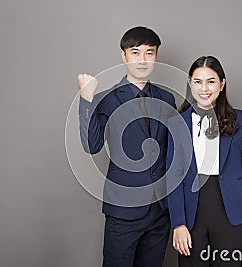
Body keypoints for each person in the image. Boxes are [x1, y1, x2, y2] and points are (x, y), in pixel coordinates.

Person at [78, 26, 176, 267]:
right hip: (124, 210)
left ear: (156, 56)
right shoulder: (105, 99)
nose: (142, 60)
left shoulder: (167, 99)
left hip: (161, 210)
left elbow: (174, 154)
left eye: (149, 53)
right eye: (135, 52)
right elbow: (92, 146)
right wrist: (85, 99)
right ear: (124, 56)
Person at [166, 56, 242, 266]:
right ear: (190, 83)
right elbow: (174, 177)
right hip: (191, 210)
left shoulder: (238, 119)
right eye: (197, 81)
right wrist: (178, 224)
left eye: (211, 81)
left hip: (229, 208)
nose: (204, 88)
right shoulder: (177, 123)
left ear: (222, 84)